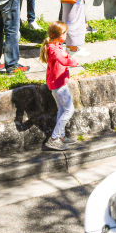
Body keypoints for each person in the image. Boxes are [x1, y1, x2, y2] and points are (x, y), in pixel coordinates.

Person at [41, 21, 78, 152]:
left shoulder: (55, 45)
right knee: (69, 110)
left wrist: (68, 54)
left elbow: (63, 55)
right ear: (58, 35)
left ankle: (61, 136)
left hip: (58, 82)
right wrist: (73, 61)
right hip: (58, 84)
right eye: (64, 33)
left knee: (62, 110)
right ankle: (54, 138)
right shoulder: (53, 49)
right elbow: (62, 60)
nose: (66, 35)